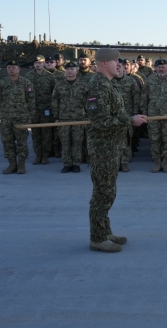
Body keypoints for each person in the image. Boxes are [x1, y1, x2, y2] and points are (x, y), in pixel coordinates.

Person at [85, 48, 147, 253]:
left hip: (111, 146)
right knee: (102, 194)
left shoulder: (108, 84)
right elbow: (100, 120)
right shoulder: (98, 85)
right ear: (104, 64)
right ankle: (97, 238)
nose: (119, 64)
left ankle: (105, 231)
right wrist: (131, 120)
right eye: (115, 61)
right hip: (103, 148)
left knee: (108, 192)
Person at [141, 59, 167, 173]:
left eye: (163, 67)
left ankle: (165, 161)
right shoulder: (150, 80)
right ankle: (157, 161)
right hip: (153, 115)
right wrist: (144, 114)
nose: (161, 69)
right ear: (155, 68)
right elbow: (144, 98)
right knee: (155, 139)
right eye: (159, 67)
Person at [0, 60, 36, 174]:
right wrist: (2, 114)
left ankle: (21, 164)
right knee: (7, 142)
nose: (11, 69)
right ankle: (12, 164)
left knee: (21, 142)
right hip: (6, 117)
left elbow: (31, 101)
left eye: (14, 67)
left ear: (19, 69)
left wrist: (30, 116)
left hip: (21, 117)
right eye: (9, 67)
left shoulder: (26, 83)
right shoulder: (2, 82)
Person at [52, 62, 86, 173]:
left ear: (77, 71)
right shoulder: (59, 85)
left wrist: (86, 115)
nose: (70, 71)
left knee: (77, 142)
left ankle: (76, 163)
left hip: (79, 118)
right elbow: (55, 101)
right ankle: (67, 164)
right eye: (68, 69)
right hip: (63, 118)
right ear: (64, 71)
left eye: (72, 69)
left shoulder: (83, 85)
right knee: (65, 142)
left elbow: (88, 102)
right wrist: (56, 116)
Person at [24, 55, 56, 165]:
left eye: (40, 62)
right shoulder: (28, 77)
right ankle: (38, 155)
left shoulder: (50, 77)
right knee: (35, 134)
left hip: (46, 109)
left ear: (44, 63)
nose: (38, 64)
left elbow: (54, 93)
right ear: (34, 64)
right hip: (34, 110)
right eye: (36, 63)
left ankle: (45, 155)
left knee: (46, 134)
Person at [114, 59, 140, 172]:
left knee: (126, 139)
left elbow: (136, 98)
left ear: (124, 67)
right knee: (113, 140)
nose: (119, 68)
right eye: (116, 66)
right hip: (113, 116)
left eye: (121, 66)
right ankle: (115, 163)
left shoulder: (131, 81)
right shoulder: (109, 81)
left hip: (127, 115)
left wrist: (135, 114)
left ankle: (124, 162)